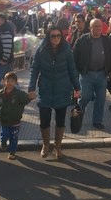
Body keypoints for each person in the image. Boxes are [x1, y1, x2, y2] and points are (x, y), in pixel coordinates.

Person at [29, 24, 81, 158]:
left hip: (62, 88)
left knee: (60, 120)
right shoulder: (42, 49)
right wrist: (31, 88)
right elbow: (34, 69)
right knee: (44, 120)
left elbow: (72, 69)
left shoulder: (66, 49)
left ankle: (58, 147)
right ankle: (46, 145)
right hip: (45, 88)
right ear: (48, 37)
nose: (56, 38)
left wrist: (77, 87)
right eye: (53, 36)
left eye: (58, 35)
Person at [73, 18, 111, 130]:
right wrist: (76, 73)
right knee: (85, 97)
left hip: (101, 74)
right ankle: (77, 115)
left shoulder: (106, 40)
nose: (97, 28)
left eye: (99, 26)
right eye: (95, 26)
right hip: (87, 74)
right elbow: (74, 56)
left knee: (101, 99)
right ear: (90, 27)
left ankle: (97, 121)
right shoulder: (82, 40)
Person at [0, 72, 31, 160]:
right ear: (3, 81)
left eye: (12, 81)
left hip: (15, 120)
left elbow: (26, 99)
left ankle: (12, 152)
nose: (9, 83)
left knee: (14, 137)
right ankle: (3, 143)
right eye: (7, 81)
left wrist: (30, 97)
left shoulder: (19, 93)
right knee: (4, 135)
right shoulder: (0, 93)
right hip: (4, 120)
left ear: (15, 82)